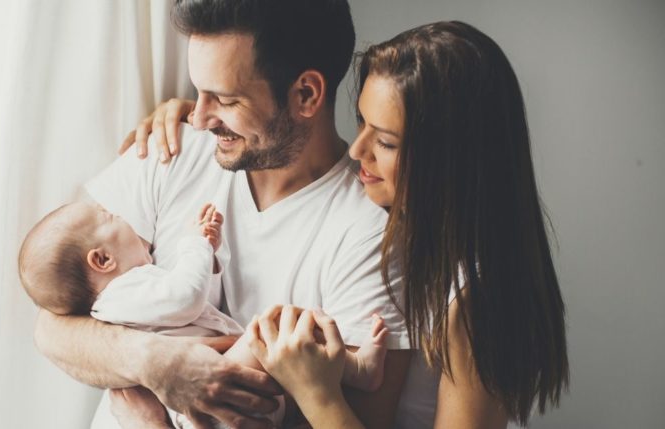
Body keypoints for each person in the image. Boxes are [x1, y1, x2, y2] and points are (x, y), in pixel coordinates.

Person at [134, 20, 570, 429]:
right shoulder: (410, 234)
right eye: (362, 122)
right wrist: (217, 114)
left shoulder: (475, 300)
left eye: (385, 141)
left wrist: (316, 391)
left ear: (452, 161)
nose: (358, 150)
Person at [33, 1, 418, 428]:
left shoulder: (369, 233)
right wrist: (156, 362)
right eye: (198, 92)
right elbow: (51, 329)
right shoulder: (172, 147)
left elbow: (358, 419)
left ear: (305, 94)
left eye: (225, 99)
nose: (198, 116)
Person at [18, 201, 391, 428]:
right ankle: (358, 371)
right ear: (102, 259)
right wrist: (195, 244)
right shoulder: (121, 295)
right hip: (203, 407)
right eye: (111, 216)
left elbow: (196, 308)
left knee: (288, 359)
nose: (124, 218)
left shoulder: (134, 294)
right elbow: (185, 299)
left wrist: (207, 254)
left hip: (210, 400)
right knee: (277, 329)